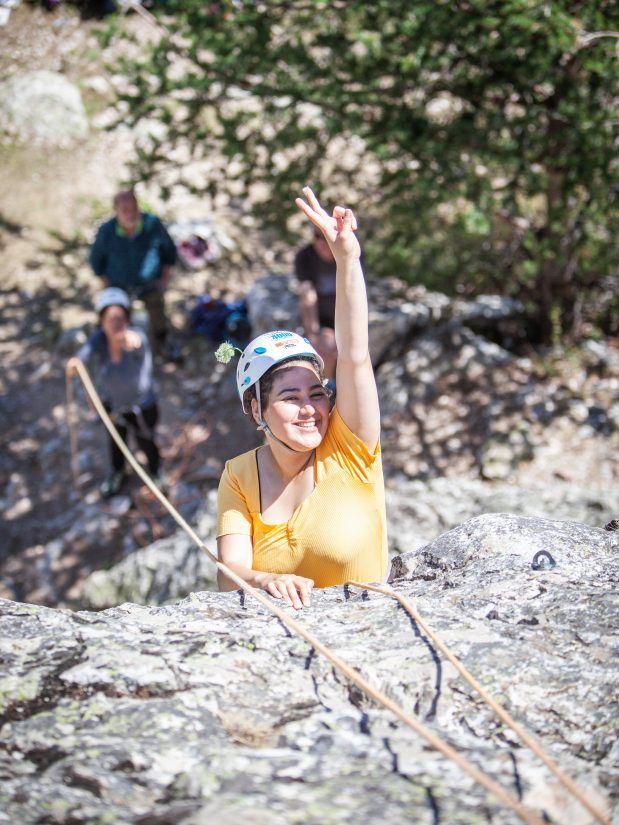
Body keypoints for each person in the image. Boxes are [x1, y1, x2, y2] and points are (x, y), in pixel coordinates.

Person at [216, 188, 387, 609]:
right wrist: (264, 578)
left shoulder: (349, 447)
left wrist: (347, 259)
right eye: (290, 397)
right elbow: (230, 573)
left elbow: (355, 355)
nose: (310, 409)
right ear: (257, 409)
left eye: (317, 393)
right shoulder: (238, 476)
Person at [67, 288, 166, 499]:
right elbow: (83, 354)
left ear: (127, 319)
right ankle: (118, 473)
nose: (115, 323)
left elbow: (134, 342)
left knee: (146, 441)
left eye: (119, 318)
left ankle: (156, 472)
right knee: (115, 442)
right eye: (109, 319)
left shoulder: (137, 337)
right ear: (101, 321)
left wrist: (126, 340)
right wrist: (76, 362)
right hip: (113, 406)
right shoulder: (99, 339)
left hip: (142, 407)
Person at [89, 190, 179, 360]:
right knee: (117, 319)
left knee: (158, 315)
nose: (131, 214)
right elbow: (96, 262)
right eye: (125, 210)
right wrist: (108, 290)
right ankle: (119, 351)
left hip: (150, 284)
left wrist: (164, 279)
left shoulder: (152, 225)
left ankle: (162, 343)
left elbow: (170, 252)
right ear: (116, 211)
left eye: (134, 209)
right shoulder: (106, 232)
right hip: (119, 287)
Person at [294, 225, 338, 383]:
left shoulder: (348, 255)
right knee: (327, 348)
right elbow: (307, 293)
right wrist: (313, 333)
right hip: (322, 320)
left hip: (343, 317)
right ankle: (328, 386)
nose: (321, 242)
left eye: (324, 237)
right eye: (316, 236)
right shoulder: (305, 256)